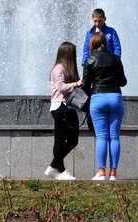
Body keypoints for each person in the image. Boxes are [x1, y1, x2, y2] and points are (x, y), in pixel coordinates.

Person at [79, 32, 127, 181]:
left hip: (98, 98)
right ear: (105, 43)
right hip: (115, 97)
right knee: (114, 136)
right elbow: (123, 82)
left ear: (92, 44)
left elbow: (85, 84)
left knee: (101, 136)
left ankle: (101, 173)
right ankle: (113, 174)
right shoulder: (115, 59)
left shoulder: (90, 59)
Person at [45, 41, 83, 181]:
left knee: (73, 139)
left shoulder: (68, 69)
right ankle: (60, 170)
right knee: (60, 140)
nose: (75, 57)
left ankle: (53, 167)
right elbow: (61, 87)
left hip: (69, 106)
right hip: (60, 106)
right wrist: (76, 83)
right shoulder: (59, 69)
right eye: (73, 54)